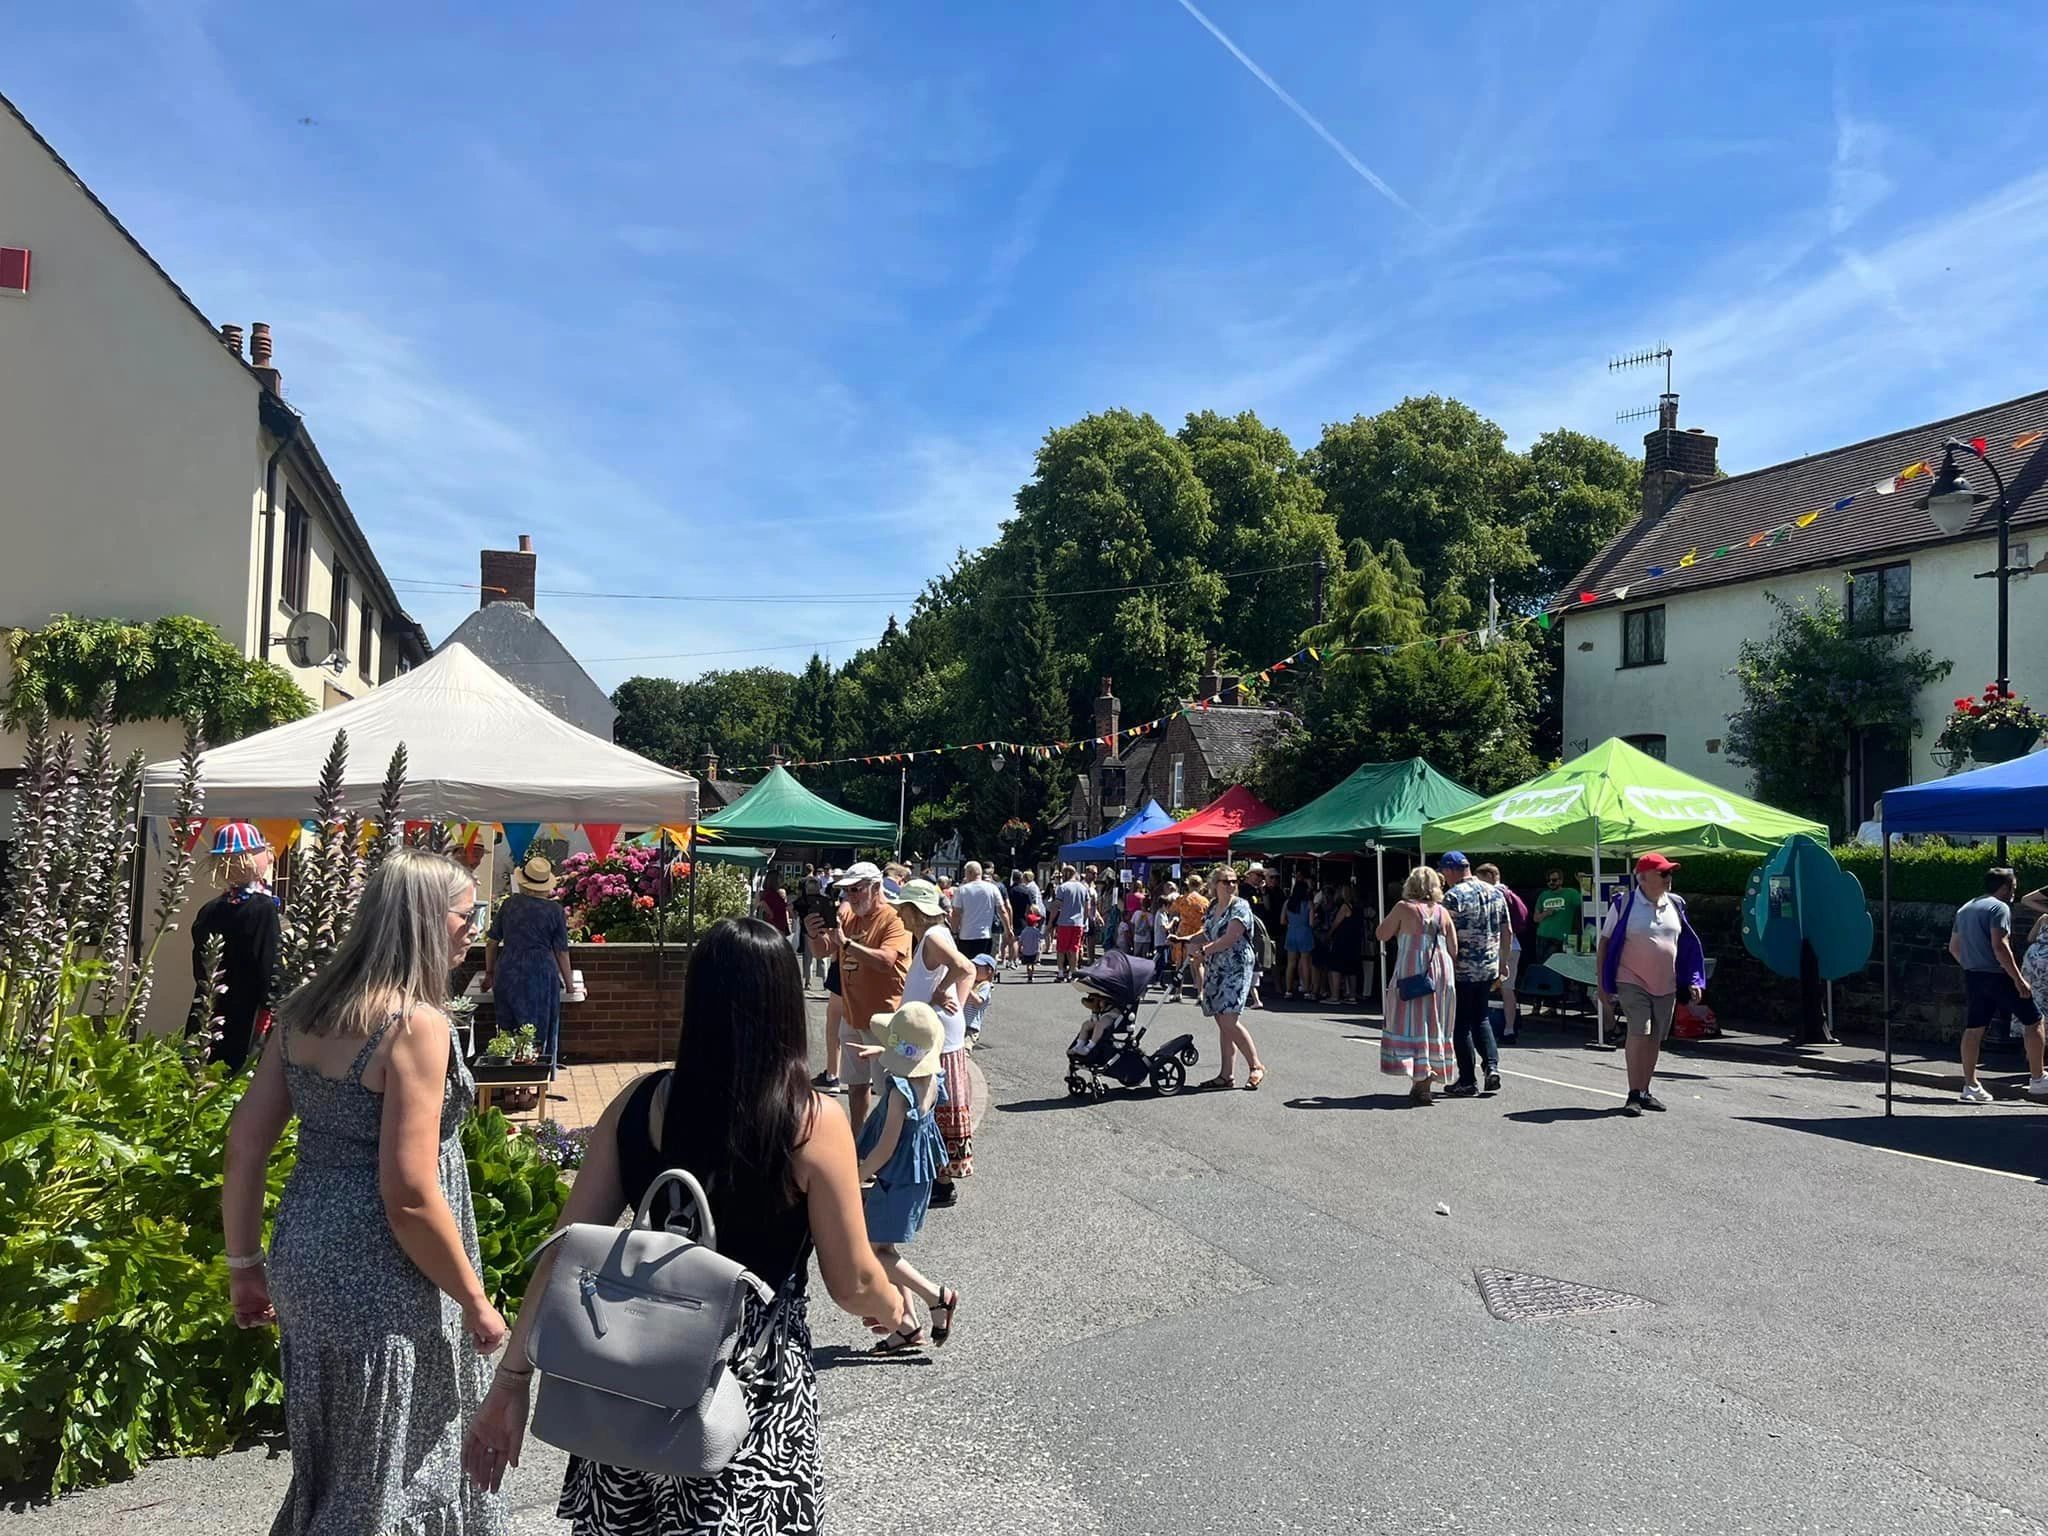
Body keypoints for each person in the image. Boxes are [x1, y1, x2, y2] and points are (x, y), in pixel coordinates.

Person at [461, 918, 901, 1529]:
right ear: (782, 1007)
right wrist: (893, 1302)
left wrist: (510, 1381)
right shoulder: (810, 1120)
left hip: (630, 1379)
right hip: (748, 1390)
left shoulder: (639, 1103)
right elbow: (851, 1281)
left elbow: (565, 1252)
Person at [222, 849, 508, 1535]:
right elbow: (408, 1192)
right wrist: (475, 1298)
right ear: (429, 921)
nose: (476, 929)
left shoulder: (301, 1013)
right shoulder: (413, 1025)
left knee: (337, 1462)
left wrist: (244, 1266)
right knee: (402, 1465)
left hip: (307, 1254)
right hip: (389, 1267)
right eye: (470, 915)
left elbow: (244, 1146)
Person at [856, 1002, 963, 1355]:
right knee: (885, 1248)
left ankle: (937, 1297)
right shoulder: (931, 1078)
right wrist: (885, 1051)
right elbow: (909, 1058)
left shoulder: (901, 1094)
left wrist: (854, 1177)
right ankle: (907, 1327)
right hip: (915, 1176)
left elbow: (885, 1149)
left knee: (874, 1253)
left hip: (896, 1178)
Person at [1597, 853, 1707, 1117]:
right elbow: (1604, 943)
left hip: (1665, 983)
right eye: (1664, 873)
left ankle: (1644, 1091)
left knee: (1656, 1037)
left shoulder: (1676, 904)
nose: (1669, 878)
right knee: (1640, 1030)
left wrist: (1693, 979)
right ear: (1643, 878)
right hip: (1631, 978)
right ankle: (1633, 1093)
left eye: (1670, 873)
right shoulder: (1623, 904)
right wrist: (1602, 983)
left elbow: (1688, 947)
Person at [889, 880, 976, 1209]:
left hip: (934, 1038)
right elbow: (966, 971)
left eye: (903, 910)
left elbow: (965, 968)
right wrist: (950, 995)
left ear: (915, 911)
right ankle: (936, 1177)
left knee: (929, 1102)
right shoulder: (935, 935)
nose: (900, 917)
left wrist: (942, 994)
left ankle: (940, 1180)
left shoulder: (933, 936)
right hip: (934, 1033)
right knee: (928, 1101)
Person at [808, 862, 911, 1135]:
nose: (851, 897)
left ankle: (888, 1147)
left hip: (883, 1019)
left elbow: (886, 961)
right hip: (853, 1016)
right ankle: (857, 1141)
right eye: (847, 891)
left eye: (856, 890)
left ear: (876, 887)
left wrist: (846, 943)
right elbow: (821, 951)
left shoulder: (893, 919)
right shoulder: (850, 918)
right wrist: (813, 934)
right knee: (855, 1085)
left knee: (888, 1090)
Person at [1949, 866, 2048, 1103]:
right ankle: (2038, 1079)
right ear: (2005, 887)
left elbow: (1954, 947)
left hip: (1975, 976)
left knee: (1975, 1028)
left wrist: (1974, 965)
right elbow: (2000, 946)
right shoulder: (1999, 907)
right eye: (2013, 886)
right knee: (2034, 1020)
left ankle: (1970, 1085)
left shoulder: (1966, 908)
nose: (2015, 891)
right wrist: (2018, 979)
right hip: (1998, 975)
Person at [190, 822, 282, 1073]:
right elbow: (269, 964)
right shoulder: (262, 909)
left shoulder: (209, 910)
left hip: (211, 1006)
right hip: (248, 1010)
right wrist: (278, 1003)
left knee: (204, 1068)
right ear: (250, 859)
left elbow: (199, 967)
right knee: (242, 1075)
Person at [482, 856, 574, 1077]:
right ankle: (529, 1086)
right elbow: (561, 951)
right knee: (537, 1028)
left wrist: (489, 973)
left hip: (509, 968)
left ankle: (510, 1084)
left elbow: (492, 942)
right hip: (541, 971)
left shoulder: (509, 904)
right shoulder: (554, 911)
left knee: (508, 1025)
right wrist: (570, 985)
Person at [1377, 866, 1457, 1104]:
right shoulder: (1443, 912)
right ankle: (1426, 1077)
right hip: (1441, 973)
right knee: (1436, 1023)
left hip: (1413, 969)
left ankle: (1420, 1080)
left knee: (1411, 1021)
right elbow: (1454, 949)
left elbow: (1382, 933)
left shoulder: (1404, 908)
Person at [1436, 853, 1507, 1097]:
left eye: (1444, 871)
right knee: (1482, 1017)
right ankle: (1492, 1067)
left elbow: (1445, 934)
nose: (1443, 876)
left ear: (1452, 870)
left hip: (1462, 969)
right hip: (1488, 966)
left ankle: (1467, 1079)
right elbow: (1506, 930)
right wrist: (1503, 962)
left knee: (1462, 1023)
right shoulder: (1496, 892)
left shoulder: (1452, 897)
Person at [1195, 866, 1266, 1090]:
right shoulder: (1214, 907)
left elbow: (1231, 937)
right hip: (1217, 967)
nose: (1231, 885)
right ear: (1215, 884)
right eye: (1226, 881)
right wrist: (1183, 938)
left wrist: (1204, 950)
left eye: (1234, 881)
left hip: (1236, 967)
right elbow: (1208, 933)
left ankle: (1256, 1066)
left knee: (1229, 1019)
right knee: (1222, 1020)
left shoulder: (1241, 906)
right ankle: (1226, 1075)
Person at [1477, 865, 1529, 1043]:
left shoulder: (1493, 894)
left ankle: (1485, 1028)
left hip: (1498, 947)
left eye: (1481, 879)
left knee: (1484, 987)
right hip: (1514, 946)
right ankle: (1509, 1029)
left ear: (1491, 876)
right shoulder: (1507, 892)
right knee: (1508, 989)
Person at [950, 859, 1013, 959]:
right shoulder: (992, 888)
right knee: (983, 964)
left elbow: (956, 913)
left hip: (966, 935)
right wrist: (1008, 929)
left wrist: (953, 931)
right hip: (985, 935)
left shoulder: (962, 890)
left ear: (970, 873)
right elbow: (1002, 910)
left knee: (968, 965)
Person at [1315, 882, 1366, 1006]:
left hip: (1342, 939)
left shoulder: (1345, 906)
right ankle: (1352, 995)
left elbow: (1336, 923)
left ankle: (1334, 996)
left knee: (1335, 967)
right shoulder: (1358, 907)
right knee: (1352, 969)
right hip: (1354, 940)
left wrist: (1329, 934)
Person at [1050, 863, 1093, 983]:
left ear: (1067, 873)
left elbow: (1056, 906)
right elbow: (1087, 907)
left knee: (1061, 949)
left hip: (1064, 922)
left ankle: (1060, 973)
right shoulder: (1083, 888)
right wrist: (1084, 921)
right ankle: (1073, 972)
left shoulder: (1063, 888)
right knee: (1074, 948)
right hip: (1078, 923)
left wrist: (1051, 921)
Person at [1170, 877, 1211, 1001]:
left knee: (1180, 963)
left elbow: (1172, 910)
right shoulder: (1204, 901)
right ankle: (1200, 993)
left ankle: (1178, 992)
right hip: (1198, 933)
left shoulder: (1182, 899)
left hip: (1183, 933)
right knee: (1198, 964)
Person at [792, 875, 835, 991]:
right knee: (811, 957)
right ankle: (811, 981)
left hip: (820, 931)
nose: (810, 891)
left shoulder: (822, 900)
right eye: (809, 889)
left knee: (818, 956)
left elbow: (794, 912)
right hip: (811, 931)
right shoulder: (806, 901)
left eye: (812, 889)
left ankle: (818, 981)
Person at [1532, 868, 1582, 963]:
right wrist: (1546, 913)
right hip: (1542, 936)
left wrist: (1582, 883)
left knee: (1555, 965)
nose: (1551, 882)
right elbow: (1535, 918)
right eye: (1548, 881)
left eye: (1554, 880)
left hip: (1560, 938)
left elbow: (1584, 901)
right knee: (1542, 964)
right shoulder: (1543, 895)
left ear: (1561, 880)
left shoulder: (1570, 893)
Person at [1282, 877, 1317, 1000]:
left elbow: (1282, 920)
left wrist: (1291, 924)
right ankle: (1307, 990)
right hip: (1305, 932)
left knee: (1290, 963)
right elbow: (1312, 923)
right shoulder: (1309, 903)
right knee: (1305, 963)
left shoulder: (1288, 903)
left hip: (1291, 932)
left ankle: (1288, 990)